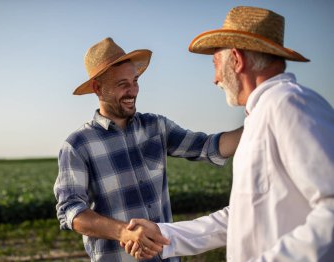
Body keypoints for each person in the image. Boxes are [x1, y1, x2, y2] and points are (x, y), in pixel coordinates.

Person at [124, 6, 334, 261]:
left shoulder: (288, 104)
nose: (215, 79)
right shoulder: (262, 115)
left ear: (236, 60)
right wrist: (163, 233)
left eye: (216, 64)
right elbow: (242, 216)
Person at [53, 37, 243, 261]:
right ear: (98, 88)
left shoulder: (156, 127)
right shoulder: (78, 145)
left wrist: (258, 122)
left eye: (135, 81)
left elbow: (209, 146)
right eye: (122, 84)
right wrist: (125, 232)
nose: (133, 91)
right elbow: (72, 212)